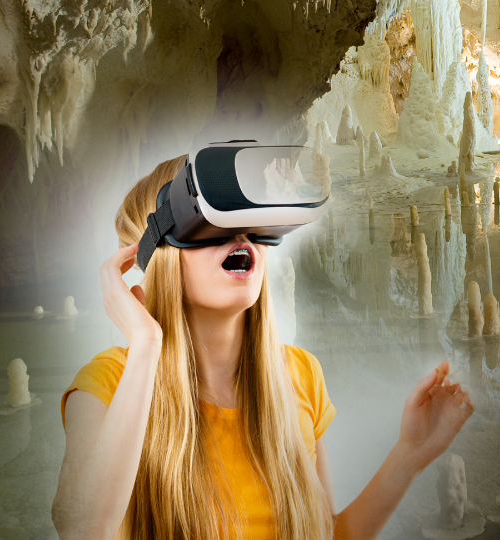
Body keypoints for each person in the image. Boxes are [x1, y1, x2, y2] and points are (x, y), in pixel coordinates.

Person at [51, 155, 474, 540]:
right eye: (207, 221)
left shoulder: (301, 374)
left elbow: (326, 535)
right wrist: (145, 344)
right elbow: (82, 530)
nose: (238, 234)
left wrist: (409, 455)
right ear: (154, 253)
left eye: (248, 218)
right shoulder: (108, 384)